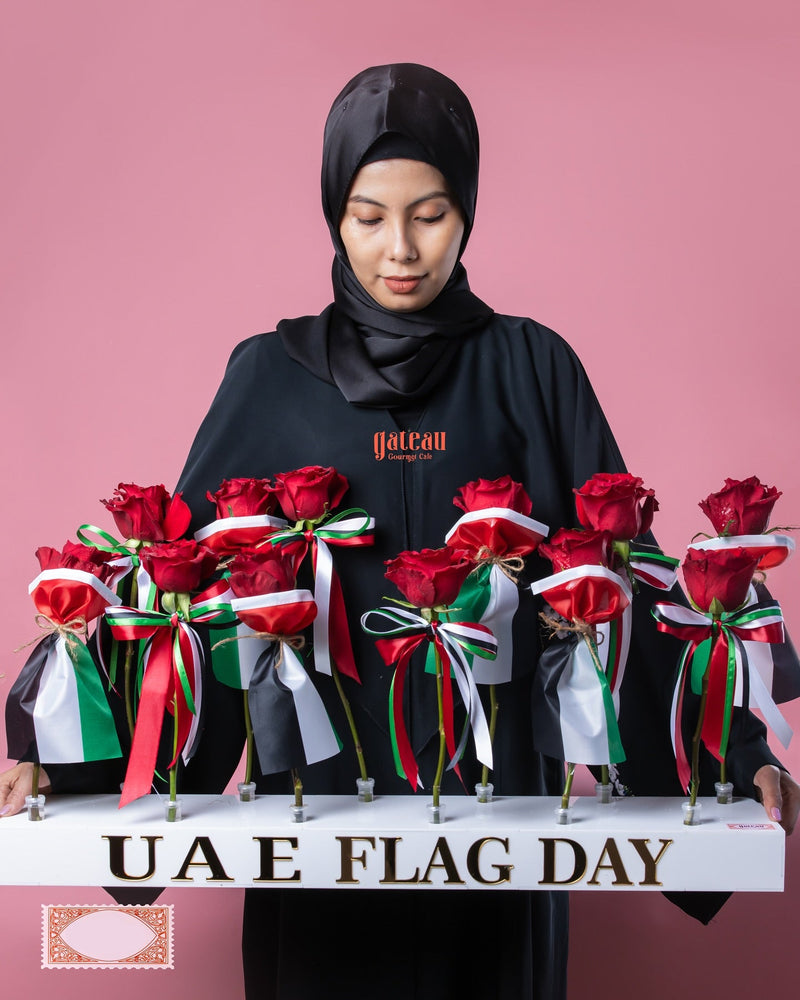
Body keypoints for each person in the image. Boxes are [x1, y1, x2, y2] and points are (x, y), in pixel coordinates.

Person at [2, 63, 799, 999]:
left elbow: (619, 585)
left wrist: (737, 755)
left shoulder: (532, 366)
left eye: (430, 214)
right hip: (313, 819)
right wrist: (71, 770)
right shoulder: (268, 375)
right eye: (368, 216)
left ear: (468, 210)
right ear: (333, 215)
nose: (401, 249)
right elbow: (185, 603)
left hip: (502, 824)